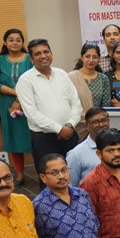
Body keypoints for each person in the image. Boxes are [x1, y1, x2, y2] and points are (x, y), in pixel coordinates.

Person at [16, 38, 82, 169]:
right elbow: (32, 113)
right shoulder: (25, 80)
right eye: (38, 54)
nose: (43, 56)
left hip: (70, 134)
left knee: (74, 173)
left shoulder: (62, 74)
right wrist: (59, 129)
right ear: (31, 59)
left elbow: (75, 102)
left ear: (51, 54)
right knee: (49, 176)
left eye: (46, 52)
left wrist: (69, 125)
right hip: (44, 140)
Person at [0, 28, 33, 185]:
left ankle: (42, 171)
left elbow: (35, 80)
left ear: (23, 42)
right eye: (11, 40)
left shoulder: (30, 59)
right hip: (7, 104)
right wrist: (16, 93)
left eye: (18, 40)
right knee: (13, 139)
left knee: (35, 137)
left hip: (29, 102)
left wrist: (21, 99)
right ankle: (20, 173)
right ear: (5, 42)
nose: (15, 43)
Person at [68, 43, 112, 139]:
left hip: (98, 127)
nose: (91, 60)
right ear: (81, 57)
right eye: (87, 56)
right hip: (76, 127)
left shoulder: (103, 79)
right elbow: (67, 104)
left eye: (94, 57)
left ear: (99, 58)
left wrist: (96, 121)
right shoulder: (71, 77)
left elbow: (105, 106)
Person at [66, 107, 110, 186]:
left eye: (103, 120)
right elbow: (71, 186)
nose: (101, 125)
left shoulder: (119, 147)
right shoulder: (75, 154)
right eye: (95, 122)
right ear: (87, 125)